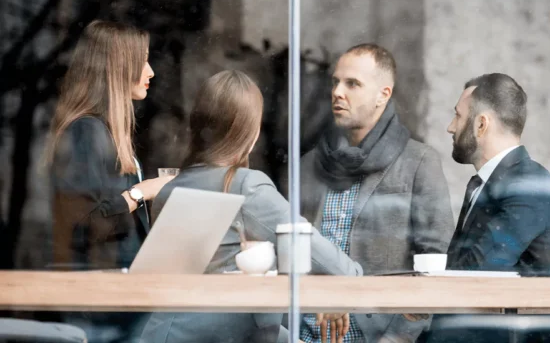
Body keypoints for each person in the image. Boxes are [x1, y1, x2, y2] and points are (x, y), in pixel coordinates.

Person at [141, 70, 362, 343]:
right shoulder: (245, 185)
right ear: (251, 133)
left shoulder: (170, 188)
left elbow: (205, 290)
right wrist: (345, 286)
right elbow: (331, 263)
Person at [299, 44, 453, 343]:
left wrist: (398, 337)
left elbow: (436, 264)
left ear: (384, 94)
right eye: (335, 82)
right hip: (303, 333)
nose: (337, 92)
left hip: (378, 336)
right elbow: (291, 252)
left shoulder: (418, 162)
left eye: (352, 84)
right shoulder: (308, 164)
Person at [45, 20, 173, 343]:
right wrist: (142, 191)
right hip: (104, 314)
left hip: (120, 305)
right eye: (143, 60)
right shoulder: (86, 132)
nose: (151, 71)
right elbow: (88, 224)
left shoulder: (105, 135)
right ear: (119, 69)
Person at [421, 73, 550, 343]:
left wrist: (420, 295)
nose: (450, 127)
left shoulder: (527, 184)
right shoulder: (489, 183)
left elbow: (478, 271)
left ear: (481, 124)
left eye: (458, 116)